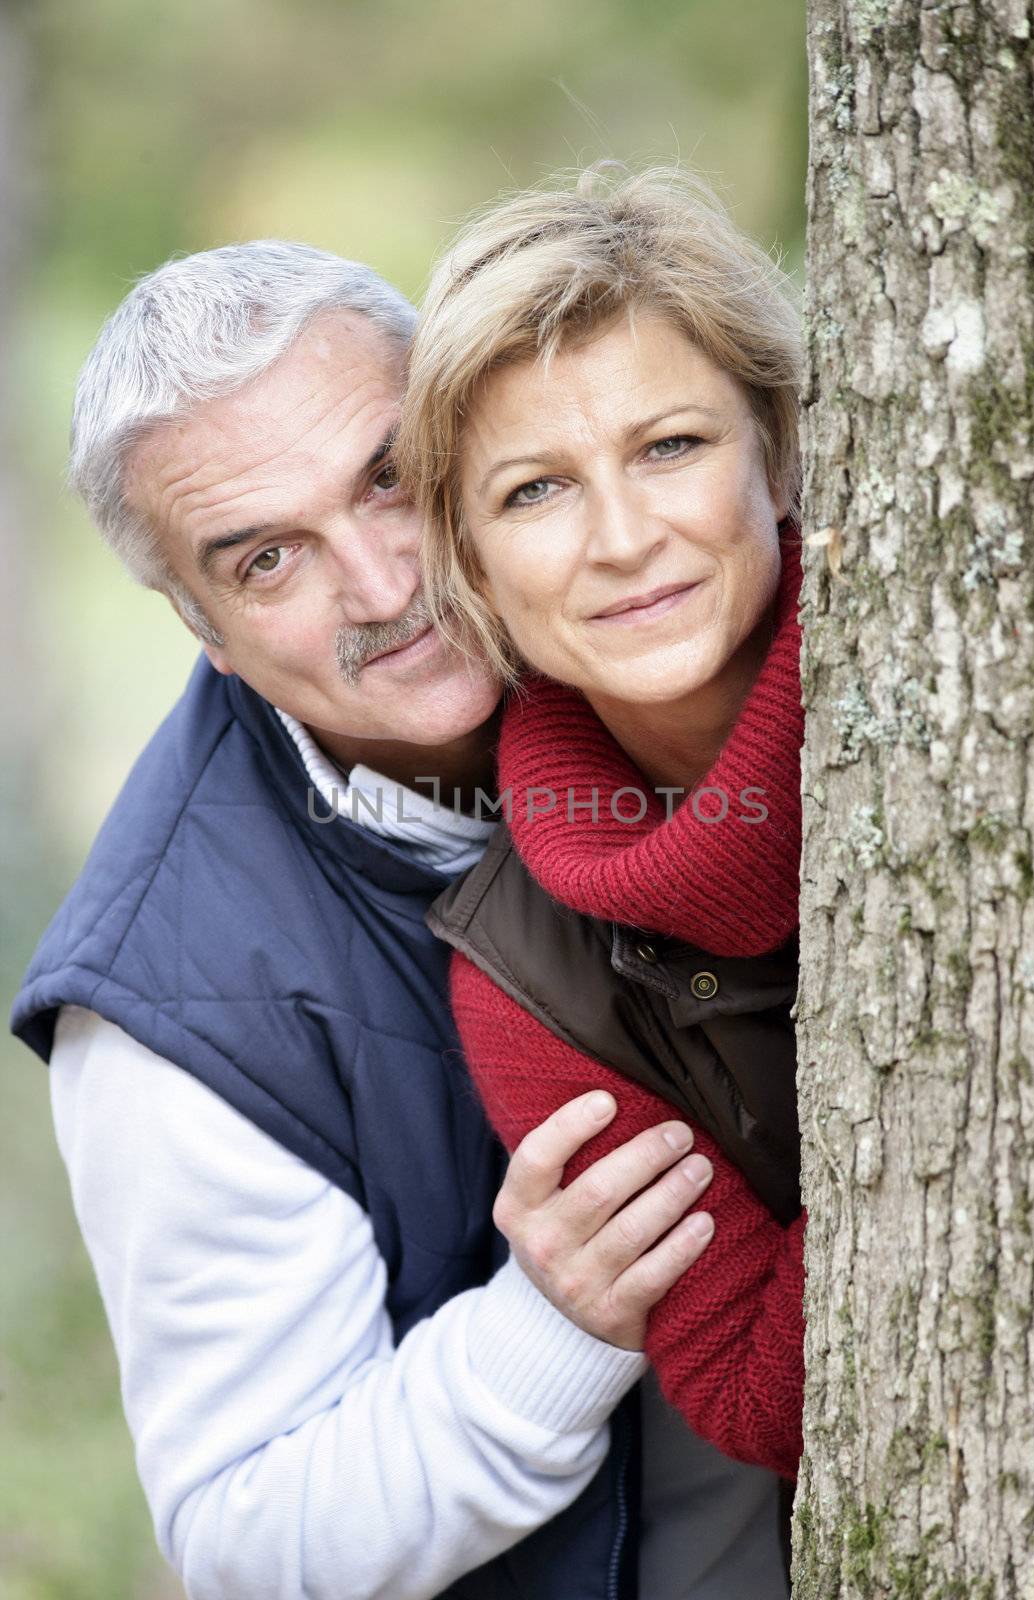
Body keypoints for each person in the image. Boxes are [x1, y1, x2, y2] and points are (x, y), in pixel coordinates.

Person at [11, 241, 789, 1599]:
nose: (383, 587)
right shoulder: (175, 1005)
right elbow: (247, 1538)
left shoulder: (674, 613)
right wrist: (546, 1329)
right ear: (201, 623)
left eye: (389, 477)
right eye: (267, 560)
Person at [399, 167, 807, 1482]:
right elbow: (755, 1388)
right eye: (536, 491)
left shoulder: (1012, 689)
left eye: (671, 447)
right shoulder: (526, 974)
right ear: (470, 565)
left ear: (779, 452)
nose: (625, 538)